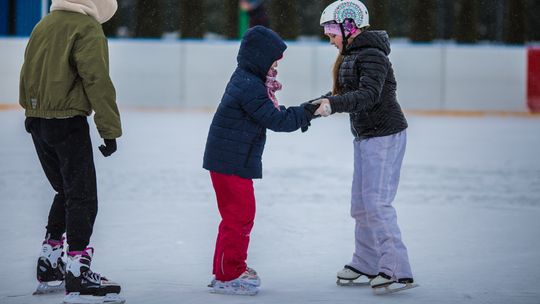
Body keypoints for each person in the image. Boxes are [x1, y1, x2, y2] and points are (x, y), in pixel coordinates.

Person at [19, 0, 124, 303]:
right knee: (82, 196)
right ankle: (78, 273)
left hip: (38, 122)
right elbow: (97, 80)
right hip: (67, 123)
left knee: (65, 191)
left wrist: (33, 114)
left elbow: (28, 72)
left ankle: (50, 261)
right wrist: (109, 129)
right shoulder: (86, 28)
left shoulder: (43, 26)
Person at [203, 25, 317, 296]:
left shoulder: (248, 80)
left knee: (238, 216)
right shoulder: (249, 86)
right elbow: (277, 120)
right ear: (259, 57)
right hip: (230, 162)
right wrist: (310, 111)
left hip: (232, 159)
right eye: (273, 60)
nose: (276, 66)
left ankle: (226, 270)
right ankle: (228, 275)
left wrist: (306, 111)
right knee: (238, 217)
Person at [312, 0, 417, 294]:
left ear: (349, 27)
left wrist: (332, 105)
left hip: (384, 135)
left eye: (332, 30)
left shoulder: (373, 56)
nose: (329, 37)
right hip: (366, 136)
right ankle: (367, 261)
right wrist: (308, 109)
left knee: (377, 203)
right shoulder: (353, 55)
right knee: (361, 205)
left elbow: (368, 95)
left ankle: (397, 269)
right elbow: (343, 94)